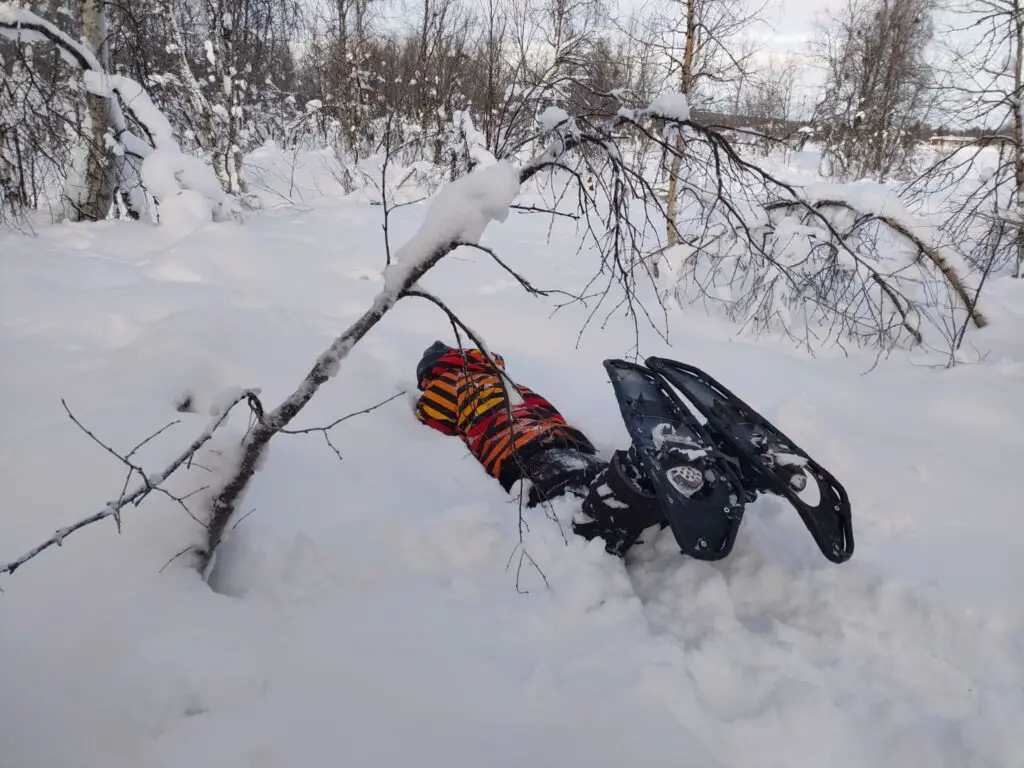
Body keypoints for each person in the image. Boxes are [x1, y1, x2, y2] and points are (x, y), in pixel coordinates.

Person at [414, 340, 664, 555]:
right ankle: (646, 498)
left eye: (424, 381)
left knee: (571, 514)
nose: (424, 387)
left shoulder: (446, 383)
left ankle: (610, 526)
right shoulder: (505, 381)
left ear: (431, 372)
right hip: (568, 440)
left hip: (519, 449)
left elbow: (431, 424)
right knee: (596, 481)